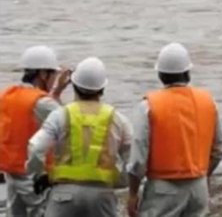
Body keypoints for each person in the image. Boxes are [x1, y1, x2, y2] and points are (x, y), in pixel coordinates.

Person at [127, 43, 222, 217]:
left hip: (163, 189)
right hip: (198, 188)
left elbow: (138, 158)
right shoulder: (208, 102)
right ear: (188, 72)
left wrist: (133, 193)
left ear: (160, 74)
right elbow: (219, 148)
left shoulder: (149, 106)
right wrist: (203, 174)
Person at [26, 57, 133, 217]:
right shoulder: (118, 119)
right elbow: (133, 159)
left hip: (63, 195)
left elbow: (35, 148)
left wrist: (39, 175)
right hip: (102, 196)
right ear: (102, 89)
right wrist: (124, 183)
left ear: (74, 85)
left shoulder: (60, 115)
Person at [0, 46, 71, 217]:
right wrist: (58, 92)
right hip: (34, 175)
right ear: (43, 74)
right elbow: (69, 121)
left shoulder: (8, 95)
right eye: (53, 74)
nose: (55, 79)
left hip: (11, 172)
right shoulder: (42, 103)